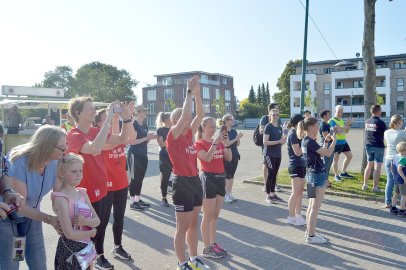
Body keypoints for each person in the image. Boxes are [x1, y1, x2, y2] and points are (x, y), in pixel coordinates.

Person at [67, 97, 133, 270]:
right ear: (77, 113)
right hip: (86, 194)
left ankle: (97, 257)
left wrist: (126, 118)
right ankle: (91, 261)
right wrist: (109, 119)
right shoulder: (74, 135)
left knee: (98, 228)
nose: (93, 111)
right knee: (85, 237)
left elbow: (121, 139)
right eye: (89, 109)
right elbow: (94, 148)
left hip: (102, 189)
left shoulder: (96, 131)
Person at [0, 125, 65, 270]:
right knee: (11, 264)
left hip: (32, 218)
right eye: (61, 147)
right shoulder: (18, 161)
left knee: (39, 263)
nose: (65, 150)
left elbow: (58, 195)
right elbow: (20, 207)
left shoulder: (55, 161)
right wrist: (50, 220)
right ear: (47, 147)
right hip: (8, 219)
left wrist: (65, 217)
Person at [166, 75, 208, 270]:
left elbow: (200, 114)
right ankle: (181, 263)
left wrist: (197, 95)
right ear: (175, 121)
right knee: (182, 227)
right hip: (181, 183)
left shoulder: (189, 133)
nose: (188, 120)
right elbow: (185, 115)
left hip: (194, 181)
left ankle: (194, 258)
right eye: (183, 118)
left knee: (193, 224)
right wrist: (189, 92)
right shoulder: (173, 136)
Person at [94, 107, 136, 260]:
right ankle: (99, 255)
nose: (112, 121)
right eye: (108, 119)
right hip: (106, 186)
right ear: (99, 123)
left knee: (119, 218)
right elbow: (120, 140)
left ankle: (118, 247)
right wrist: (119, 124)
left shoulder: (115, 136)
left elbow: (130, 138)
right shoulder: (98, 139)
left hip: (121, 184)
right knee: (102, 222)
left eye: (112, 119)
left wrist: (126, 116)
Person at [52, 153, 100, 270]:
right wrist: (91, 233)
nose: (78, 175)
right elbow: (69, 234)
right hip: (70, 249)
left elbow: (97, 220)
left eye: (80, 171)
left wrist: (85, 221)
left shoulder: (82, 193)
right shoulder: (61, 199)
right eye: (74, 172)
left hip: (86, 248)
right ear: (62, 174)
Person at [195, 117, 232, 259]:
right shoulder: (199, 143)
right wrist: (216, 143)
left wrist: (226, 144)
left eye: (214, 127)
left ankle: (212, 243)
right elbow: (207, 158)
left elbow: (228, 158)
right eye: (210, 127)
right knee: (207, 215)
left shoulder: (219, 142)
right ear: (203, 128)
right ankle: (206, 248)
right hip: (208, 178)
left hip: (220, 177)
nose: (213, 129)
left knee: (215, 215)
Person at [298, 117, 336, 244]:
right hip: (317, 175)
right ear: (312, 127)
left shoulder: (306, 140)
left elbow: (319, 153)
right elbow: (327, 154)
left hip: (310, 175)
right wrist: (334, 142)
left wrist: (325, 142)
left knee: (311, 206)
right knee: (315, 207)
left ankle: (310, 231)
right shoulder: (310, 141)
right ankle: (311, 236)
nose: (319, 126)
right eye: (318, 125)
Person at [127, 105, 157, 210]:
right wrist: (146, 138)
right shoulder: (133, 124)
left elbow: (145, 140)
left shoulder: (144, 125)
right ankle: (132, 202)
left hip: (143, 154)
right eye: (144, 111)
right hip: (134, 154)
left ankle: (138, 199)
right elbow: (132, 142)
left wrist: (150, 138)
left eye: (146, 111)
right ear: (138, 112)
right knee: (134, 179)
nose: (146, 112)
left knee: (140, 179)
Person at [286, 114, 306, 226]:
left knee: (300, 192)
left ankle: (298, 215)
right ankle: (291, 216)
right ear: (299, 123)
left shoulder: (299, 134)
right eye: (302, 122)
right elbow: (297, 152)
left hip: (301, 165)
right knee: (295, 192)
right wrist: (307, 145)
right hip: (295, 165)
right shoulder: (293, 134)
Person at [263, 108, 286, 203]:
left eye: (277, 114)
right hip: (269, 155)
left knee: (274, 174)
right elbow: (265, 142)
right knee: (270, 174)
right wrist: (278, 141)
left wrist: (284, 139)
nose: (275, 116)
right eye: (273, 115)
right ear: (270, 116)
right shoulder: (268, 126)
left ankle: (273, 193)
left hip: (277, 154)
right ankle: (268, 195)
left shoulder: (279, 128)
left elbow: (281, 143)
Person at [363, 105, 387, 192]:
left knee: (369, 165)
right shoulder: (380, 122)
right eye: (380, 111)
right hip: (378, 146)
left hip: (368, 145)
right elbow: (386, 133)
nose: (381, 112)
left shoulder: (367, 121)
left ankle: (365, 185)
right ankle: (375, 187)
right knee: (377, 167)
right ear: (378, 111)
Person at [384, 115, 406, 208]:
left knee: (390, 180)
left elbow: (385, 143)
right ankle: (402, 203)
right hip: (398, 159)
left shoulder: (386, 132)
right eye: (401, 122)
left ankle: (388, 202)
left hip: (388, 158)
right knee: (400, 181)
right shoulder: (402, 133)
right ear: (399, 122)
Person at [259, 103, 282, 192]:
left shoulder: (278, 121)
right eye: (275, 111)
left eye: (277, 113)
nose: (276, 115)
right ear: (270, 111)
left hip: (276, 149)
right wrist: (268, 129)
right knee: (266, 166)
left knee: (274, 170)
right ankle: (266, 186)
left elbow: (280, 131)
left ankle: (274, 185)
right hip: (267, 148)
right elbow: (262, 131)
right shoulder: (265, 119)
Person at [329, 105, 354, 182]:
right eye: (338, 111)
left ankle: (343, 172)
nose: (340, 113)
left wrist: (349, 125)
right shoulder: (332, 121)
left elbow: (345, 132)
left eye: (341, 112)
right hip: (336, 143)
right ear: (335, 111)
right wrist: (346, 125)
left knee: (350, 156)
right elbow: (338, 132)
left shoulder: (341, 121)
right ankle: (336, 176)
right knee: (336, 160)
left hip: (344, 142)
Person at [221, 114, 243, 203]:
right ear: (226, 121)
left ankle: (229, 193)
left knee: (232, 175)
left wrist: (238, 138)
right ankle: (225, 195)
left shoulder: (234, 131)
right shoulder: (223, 131)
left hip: (235, 155)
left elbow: (237, 144)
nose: (233, 121)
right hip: (227, 155)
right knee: (227, 175)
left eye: (233, 119)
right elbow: (226, 144)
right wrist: (236, 138)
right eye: (231, 119)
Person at [156, 112, 173, 207]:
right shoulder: (160, 130)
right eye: (171, 117)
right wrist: (172, 141)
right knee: (165, 178)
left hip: (174, 156)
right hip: (165, 156)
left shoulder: (175, 129)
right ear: (166, 120)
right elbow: (162, 144)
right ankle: (164, 198)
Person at [390, 142, 406, 216]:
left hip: (396, 178)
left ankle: (393, 208)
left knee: (396, 193)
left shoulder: (395, 156)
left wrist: (394, 175)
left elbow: (392, 168)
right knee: (404, 195)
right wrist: (404, 178)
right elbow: (400, 169)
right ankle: (402, 210)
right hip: (402, 179)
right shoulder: (403, 158)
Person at [319, 110, 333, 187]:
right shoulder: (323, 125)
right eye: (328, 115)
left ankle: (325, 179)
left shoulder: (326, 124)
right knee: (326, 164)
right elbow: (326, 136)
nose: (329, 116)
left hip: (329, 144)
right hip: (326, 145)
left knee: (328, 163)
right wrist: (334, 135)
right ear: (324, 116)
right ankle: (324, 180)